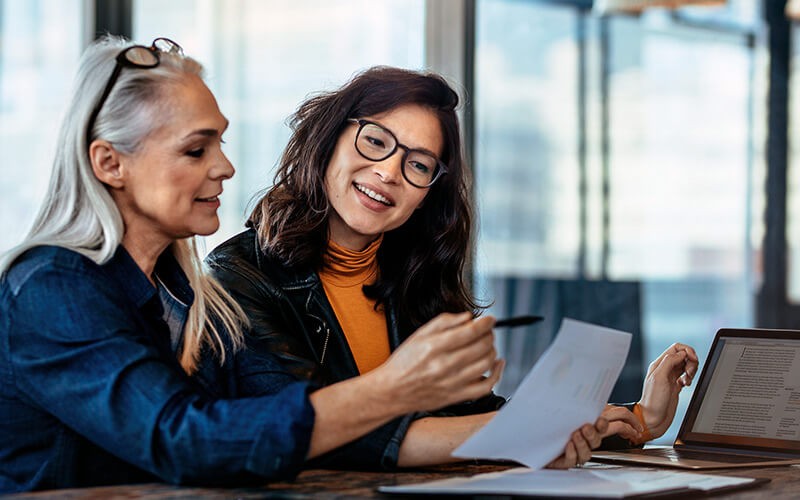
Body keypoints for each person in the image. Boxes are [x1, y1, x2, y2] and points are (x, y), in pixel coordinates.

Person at [0, 38, 513, 493]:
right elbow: (188, 440)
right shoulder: (51, 287)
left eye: (219, 143)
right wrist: (394, 388)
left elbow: (255, 424)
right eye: (196, 150)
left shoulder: (182, 294)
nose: (225, 167)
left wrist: (532, 431)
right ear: (110, 163)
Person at [206, 66, 699, 469]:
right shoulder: (238, 276)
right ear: (329, 139)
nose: (389, 172)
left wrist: (639, 418)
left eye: (419, 165)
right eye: (375, 141)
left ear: (427, 194)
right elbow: (313, 431)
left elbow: (472, 416)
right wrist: (526, 432)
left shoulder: (413, 278)